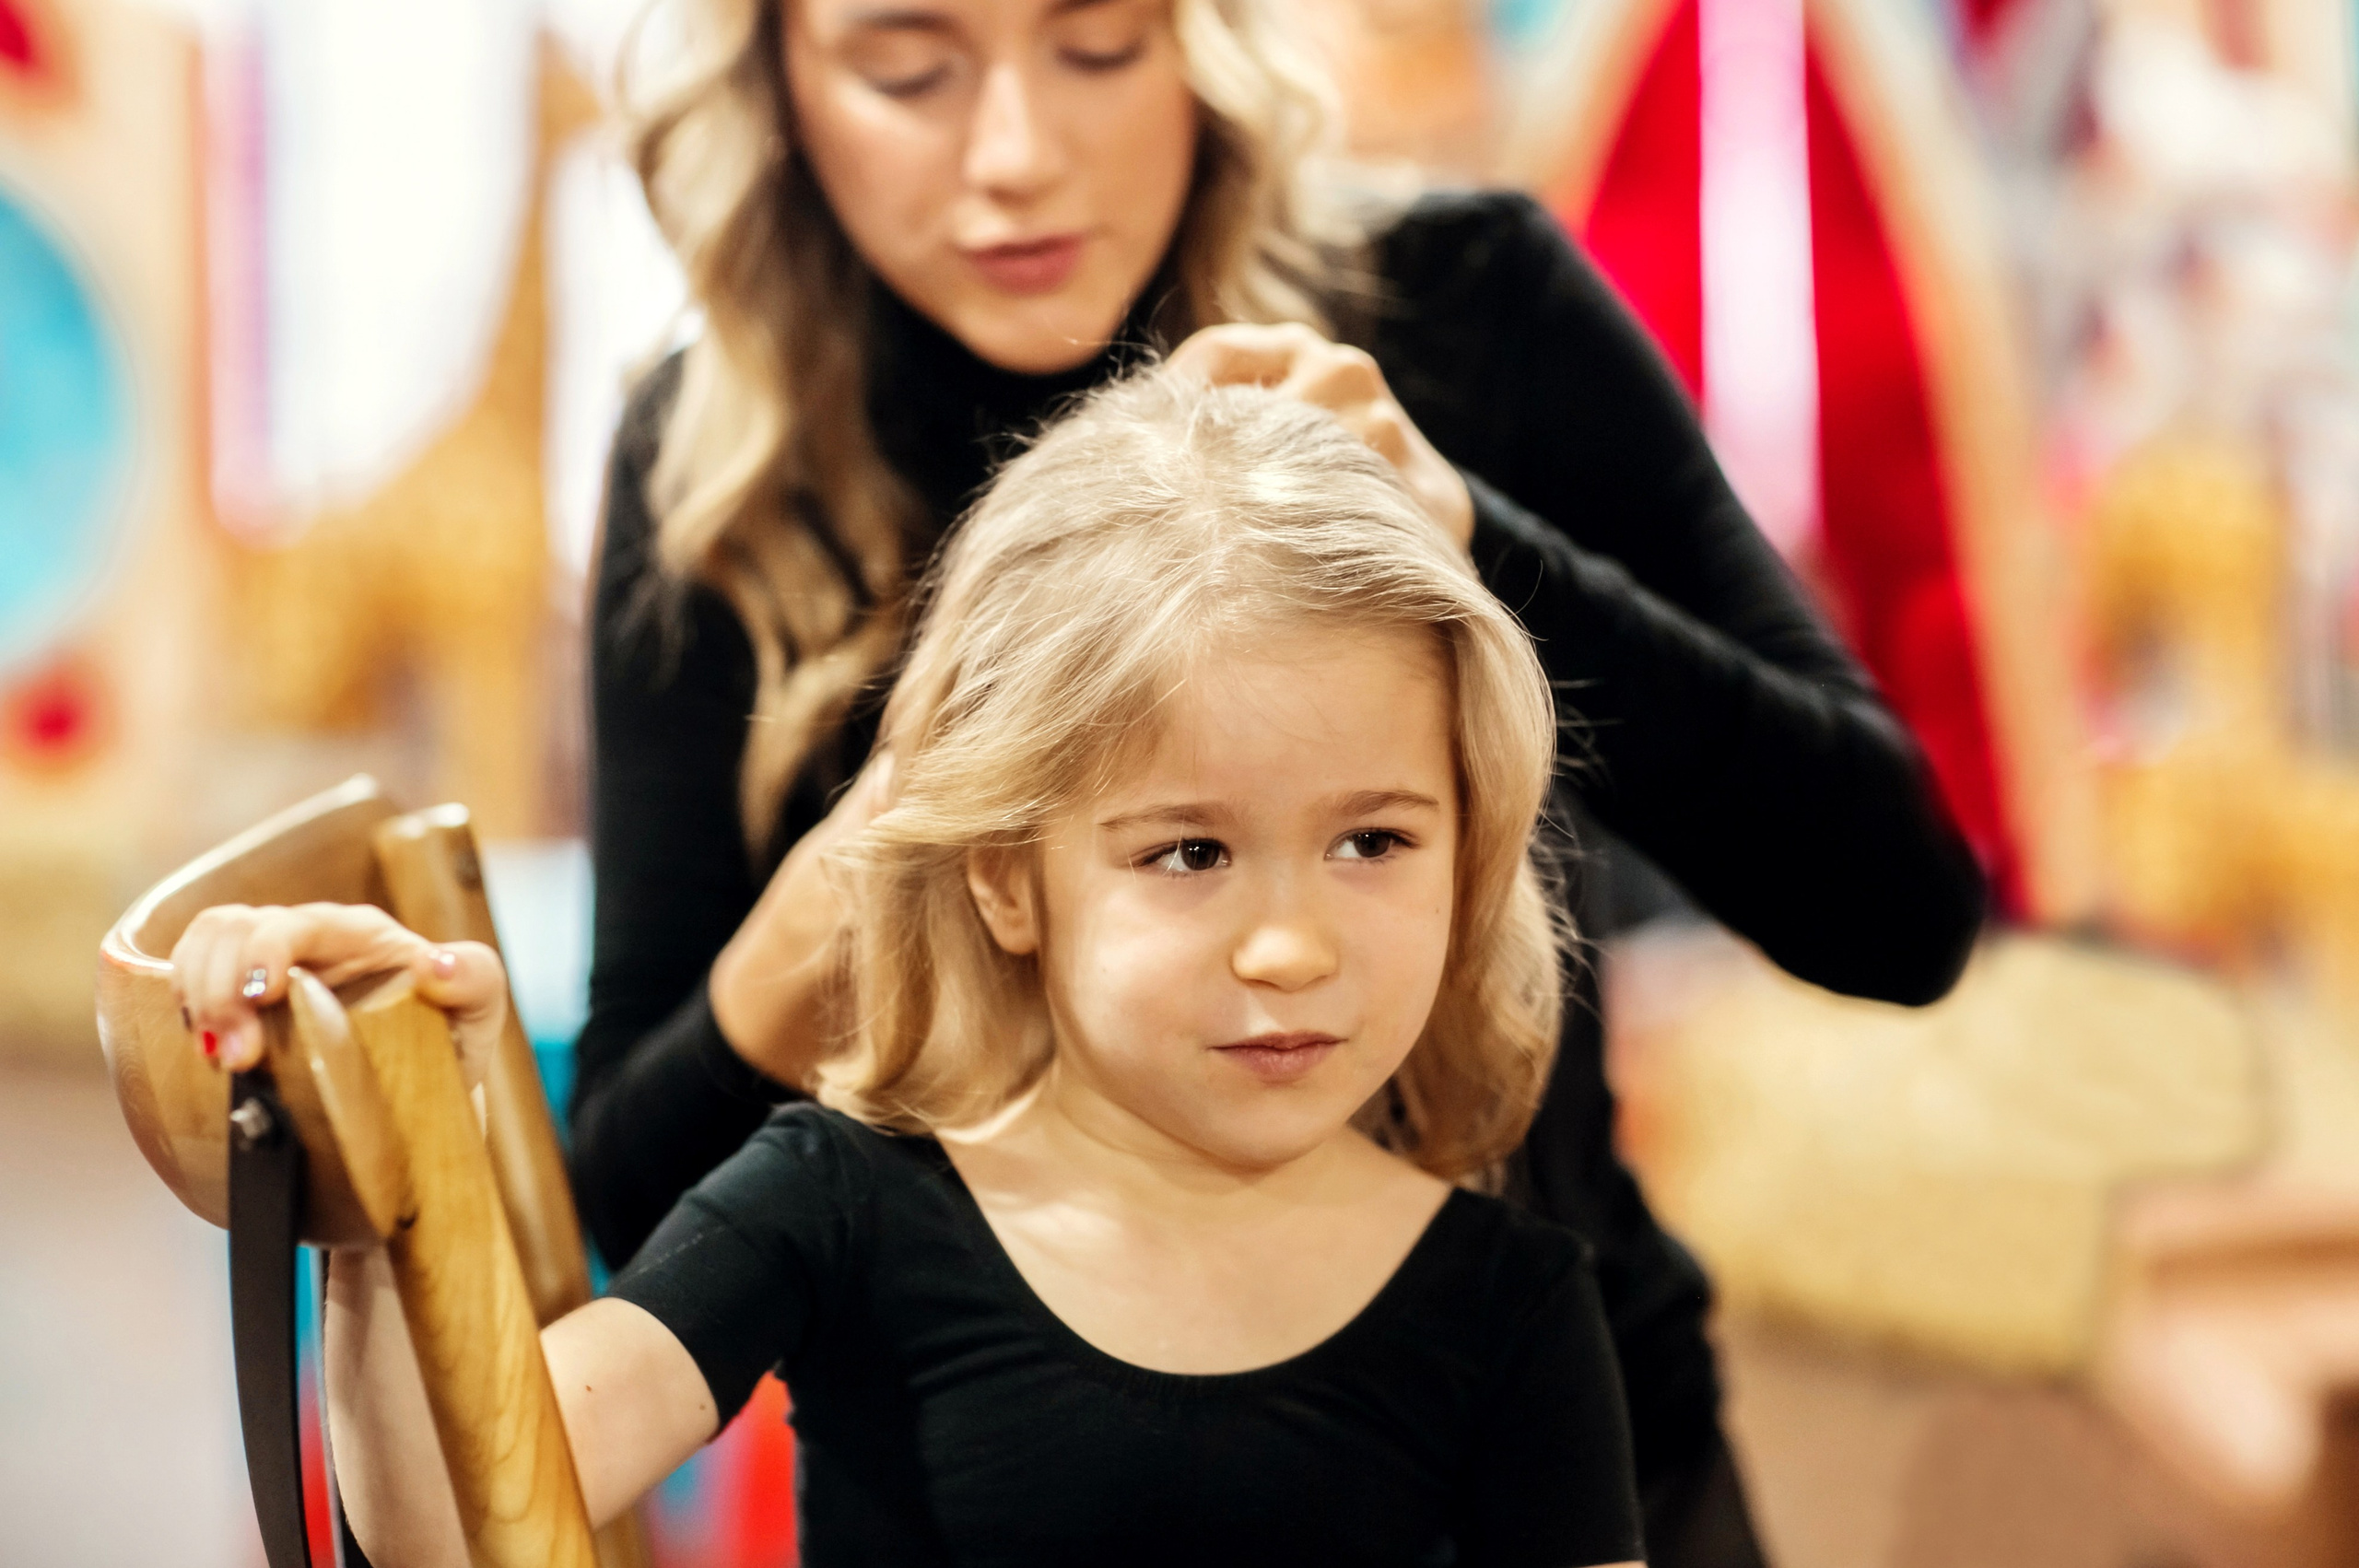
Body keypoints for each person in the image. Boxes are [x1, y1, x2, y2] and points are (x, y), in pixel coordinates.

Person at [548, 2, 1988, 1562]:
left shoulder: (1460, 308)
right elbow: (638, 1214)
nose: (1018, 155)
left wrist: (1464, 544)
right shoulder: (724, 472)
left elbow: (1898, 910)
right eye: (911, 72)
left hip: (1570, 1470)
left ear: (1201, 38)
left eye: (1096, 48)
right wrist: (882, 855)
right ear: (779, 80)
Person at [178, 379, 1649, 1567]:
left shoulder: (1513, 1303)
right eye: (1190, 853)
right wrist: (373, 1185)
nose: (1292, 944)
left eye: (1374, 840)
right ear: (1008, 876)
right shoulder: (839, 1197)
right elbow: (448, 1525)